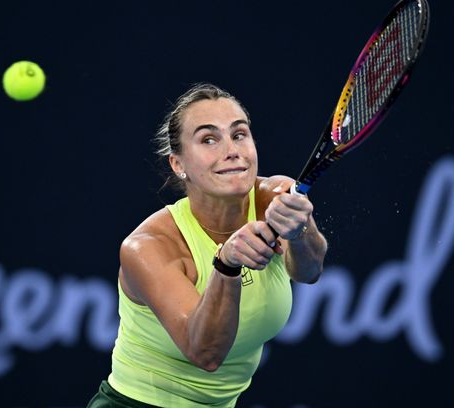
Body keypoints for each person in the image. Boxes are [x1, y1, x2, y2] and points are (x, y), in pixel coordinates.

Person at [87, 83, 328, 407]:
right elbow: (206, 354)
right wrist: (226, 265)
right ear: (178, 164)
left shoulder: (274, 197)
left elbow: (309, 272)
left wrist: (300, 232)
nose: (232, 150)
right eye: (209, 139)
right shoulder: (148, 247)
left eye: (239, 134)